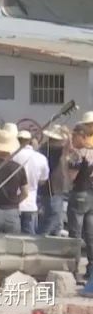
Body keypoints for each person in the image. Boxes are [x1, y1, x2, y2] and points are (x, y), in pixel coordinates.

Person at [67, 113, 93, 280]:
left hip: (79, 194)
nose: (73, 138)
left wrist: (68, 159)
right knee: (90, 234)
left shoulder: (78, 154)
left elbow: (72, 176)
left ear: (82, 136)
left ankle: (73, 270)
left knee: (75, 235)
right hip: (92, 195)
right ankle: (91, 270)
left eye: (74, 135)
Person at [11, 129, 49, 234]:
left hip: (13, 202)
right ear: (30, 141)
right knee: (29, 239)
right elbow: (43, 180)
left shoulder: (11, 156)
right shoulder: (41, 158)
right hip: (31, 203)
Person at [39, 124, 69, 236]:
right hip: (53, 188)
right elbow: (69, 148)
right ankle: (42, 236)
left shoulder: (44, 148)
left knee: (54, 217)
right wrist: (68, 135)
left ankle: (50, 235)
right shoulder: (55, 150)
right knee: (54, 215)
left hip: (51, 187)